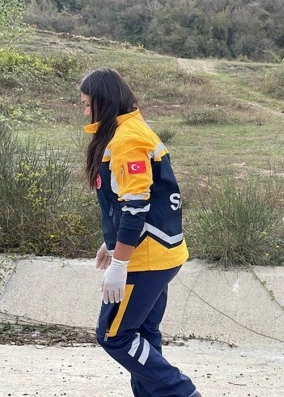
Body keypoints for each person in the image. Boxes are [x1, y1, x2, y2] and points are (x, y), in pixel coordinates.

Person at [80, 68, 201, 397]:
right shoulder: (127, 129)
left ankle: (182, 392)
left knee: (114, 336)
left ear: (103, 103)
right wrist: (112, 243)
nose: (85, 111)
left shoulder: (128, 139)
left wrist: (120, 263)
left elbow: (136, 206)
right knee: (144, 336)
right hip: (158, 252)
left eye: (88, 104)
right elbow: (126, 201)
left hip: (146, 257)